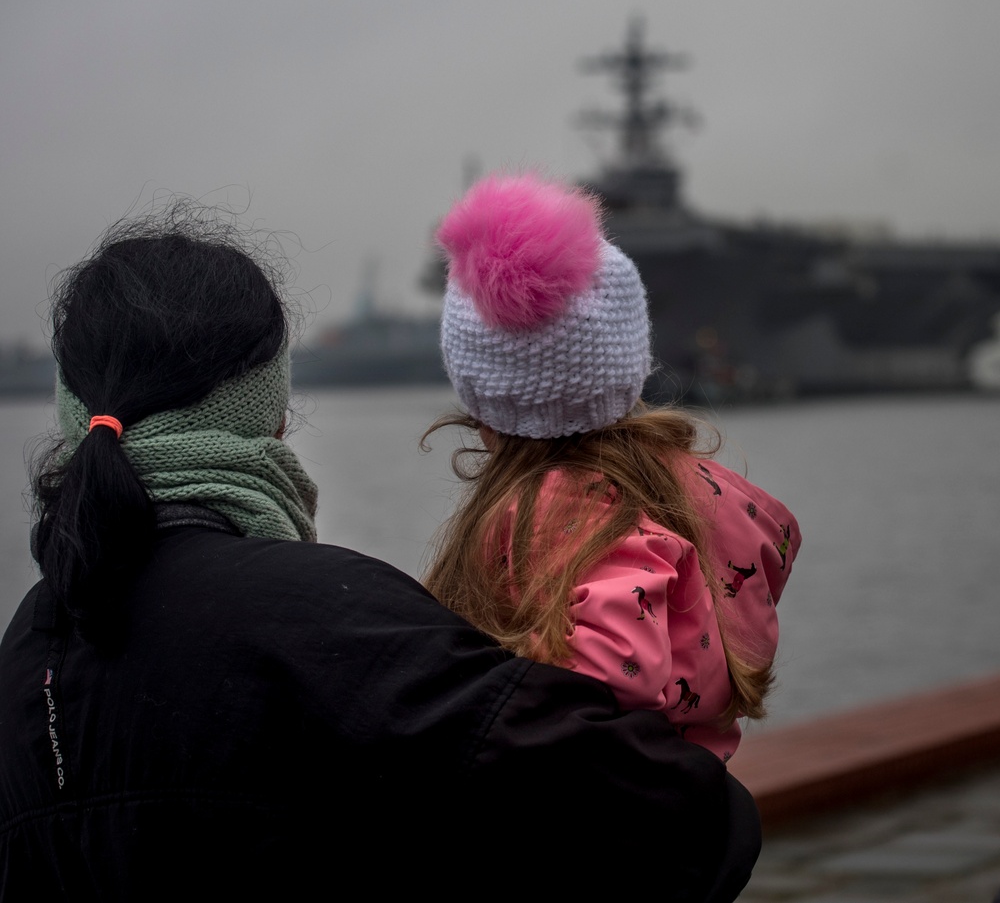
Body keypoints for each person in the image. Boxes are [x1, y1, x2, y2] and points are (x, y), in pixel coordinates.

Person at [0, 207, 761, 901]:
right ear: (269, 407)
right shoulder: (334, 621)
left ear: (73, 406)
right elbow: (693, 826)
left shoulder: (25, 648)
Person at [424, 173, 801, 762]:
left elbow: (602, 682)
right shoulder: (693, 490)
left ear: (480, 399)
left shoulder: (562, 508)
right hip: (682, 808)